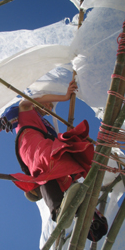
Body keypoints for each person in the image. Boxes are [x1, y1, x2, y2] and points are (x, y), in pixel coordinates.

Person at [10, 80, 95, 225]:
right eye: (48, 103)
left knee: (62, 163)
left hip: (42, 145)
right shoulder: (26, 110)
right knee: (45, 165)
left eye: (51, 106)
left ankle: (84, 214)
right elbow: (26, 102)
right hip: (30, 144)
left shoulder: (43, 124)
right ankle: (57, 209)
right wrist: (65, 97)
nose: (49, 107)